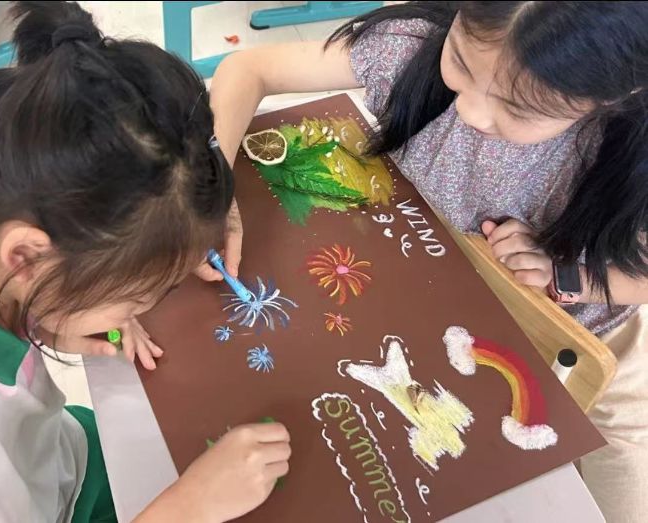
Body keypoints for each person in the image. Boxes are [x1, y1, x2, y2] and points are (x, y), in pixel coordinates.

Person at [210, 2, 648, 521]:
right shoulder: (413, 46)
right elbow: (248, 69)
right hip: (435, 296)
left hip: (588, 337)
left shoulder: (626, 146)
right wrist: (211, 195)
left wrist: (565, 274)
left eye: (519, 108)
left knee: (619, 495)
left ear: (612, 96)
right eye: (461, 61)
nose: (472, 112)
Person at [0, 2, 289, 522]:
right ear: (26, 258)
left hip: (67, 463)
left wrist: (44, 318)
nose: (139, 314)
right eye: (133, 300)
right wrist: (188, 509)